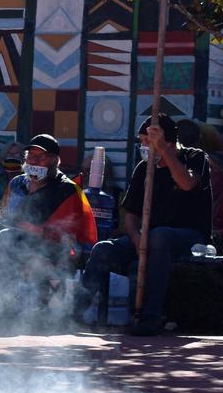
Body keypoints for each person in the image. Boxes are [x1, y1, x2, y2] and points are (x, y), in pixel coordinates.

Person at [80, 114, 211, 336]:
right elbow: (130, 215)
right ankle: (76, 310)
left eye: (147, 142)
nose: (143, 146)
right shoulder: (143, 168)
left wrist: (165, 152)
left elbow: (187, 183)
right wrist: (136, 237)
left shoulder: (195, 157)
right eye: (142, 141)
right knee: (104, 249)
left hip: (189, 237)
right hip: (150, 236)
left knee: (160, 236)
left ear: (168, 141)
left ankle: (152, 316)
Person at [0, 134, 97, 318]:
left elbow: (69, 239)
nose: (34, 161)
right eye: (31, 156)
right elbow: (1, 219)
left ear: (54, 161)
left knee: (8, 236)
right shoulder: (16, 183)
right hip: (5, 240)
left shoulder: (67, 190)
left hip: (46, 250)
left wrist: (33, 230)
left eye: (41, 157)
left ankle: (2, 305)